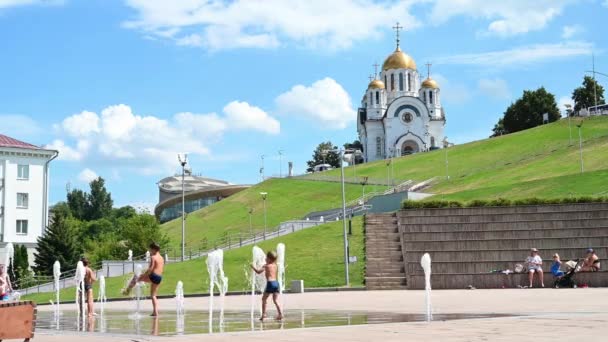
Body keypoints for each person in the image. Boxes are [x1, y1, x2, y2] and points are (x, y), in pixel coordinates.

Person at [122, 242, 164, 316]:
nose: (150, 251)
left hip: (153, 275)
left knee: (136, 276)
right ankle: (155, 312)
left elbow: (151, 268)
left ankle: (127, 290)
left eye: (150, 250)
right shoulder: (161, 258)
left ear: (154, 249)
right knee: (153, 295)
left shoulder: (153, 257)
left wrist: (145, 274)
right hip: (159, 277)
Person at [251, 251, 283, 321]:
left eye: (266, 258)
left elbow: (258, 272)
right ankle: (280, 314)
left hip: (270, 283)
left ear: (269, 259)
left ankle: (263, 315)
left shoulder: (266, 266)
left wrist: (253, 267)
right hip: (276, 283)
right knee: (275, 300)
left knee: (264, 299)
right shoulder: (275, 265)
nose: (265, 258)